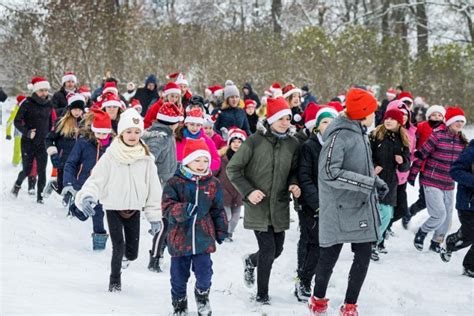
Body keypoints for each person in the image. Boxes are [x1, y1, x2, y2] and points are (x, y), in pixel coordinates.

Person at [308, 87, 388, 316]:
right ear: (363, 113)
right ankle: (318, 300)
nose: (376, 115)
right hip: (339, 207)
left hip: (359, 206)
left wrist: (376, 180)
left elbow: (360, 168)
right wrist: (367, 183)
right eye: (373, 111)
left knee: (363, 255)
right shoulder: (339, 135)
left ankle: (350, 304)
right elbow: (329, 173)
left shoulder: (360, 132)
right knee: (329, 256)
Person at [74, 109, 163, 292]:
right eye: (129, 131)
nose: (133, 135)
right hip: (113, 207)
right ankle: (115, 282)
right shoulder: (110, 156)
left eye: (137, 132)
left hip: (134, 209)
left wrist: (154, 217)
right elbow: (95, 180)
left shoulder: (146, 159)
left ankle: (125, 259)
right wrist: (88, 196)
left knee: (132, 253)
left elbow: (154, 189)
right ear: (121, 132)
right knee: (118, 246)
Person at [227, 97, 301, 304]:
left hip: (279, 204)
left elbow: (295, 171)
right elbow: (233, 169)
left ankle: (251, 261)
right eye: (281, 119)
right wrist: (249, 191)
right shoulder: (254, 141)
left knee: (277, 250)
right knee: (268, 250)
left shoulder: (293, 144)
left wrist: (294, 184)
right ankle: (262, 295)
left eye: (288, 118)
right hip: (257, 204)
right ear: (270, 119)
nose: (286, 122)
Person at [162, 138, 228, 315]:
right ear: (187, 161)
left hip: (203, 238)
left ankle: (202, 296)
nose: (201, 164)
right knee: (178, 277)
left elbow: (218, 209)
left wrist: (221, 230)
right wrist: (184, 210)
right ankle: (179, 303)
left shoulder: (213, 183)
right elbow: (166, 208)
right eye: (197, 160)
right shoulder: (174, 183)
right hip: (179, 238)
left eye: (205, 160)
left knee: (205, 274)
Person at [296, 105, 338, 303]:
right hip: (312, 204)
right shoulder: (310, 146)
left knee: (325, 246)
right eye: (324, 122)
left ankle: (310, 277)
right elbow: (304, 177)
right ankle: (303, 280)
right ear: (317, 127)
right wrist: (318, 203)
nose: (328, 125)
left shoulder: (339, 146)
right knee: (313, 243)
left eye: (332, 122)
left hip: (333, 204)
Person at [412, 107, 467, 253]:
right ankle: (422, 232)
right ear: (449, 122)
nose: (460, 123)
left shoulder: (463, 141)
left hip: (449, 183)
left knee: (448, 217)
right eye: (457, 121)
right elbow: (422, 154)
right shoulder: (437, 136)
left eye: (462, 121)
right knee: (439, 214)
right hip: (432, 179)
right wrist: (412, 172)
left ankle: (436, 241)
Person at [142, 102, 184, 273]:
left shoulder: (166, 135)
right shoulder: (160, 137)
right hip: (160, 187)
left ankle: (160, 253)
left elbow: (166, 160)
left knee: (169, 222)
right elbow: (149, 159)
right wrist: (157, 179)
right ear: (172, 122)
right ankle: (155, 258)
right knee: (164, 223)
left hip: (167, 184)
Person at [63, 109, 113, 250]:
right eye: (99, 133)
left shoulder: (113, 146)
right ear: (93, 130)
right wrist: (68, 182)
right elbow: (71, 163)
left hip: (102, 186)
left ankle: (99, 242)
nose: (102, 136)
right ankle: (74, 209)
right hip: (83, 184)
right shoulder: (83, 143)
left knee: (98, 211)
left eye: (105, 133)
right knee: (84, 214)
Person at [369, 108, 410, 260]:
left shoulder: (403, 139)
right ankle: (372, 244)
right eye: (387, 118)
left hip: (391, 181)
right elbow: (366, 154)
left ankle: (376, 241)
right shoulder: (374, 135)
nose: (388, 121)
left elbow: (406, 165)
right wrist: (373, 167)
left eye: (393, 119)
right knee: (375, 212)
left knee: (387, 214)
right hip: (374, 179)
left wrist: (403, 162)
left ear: (399, 122)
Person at [11, 77, 53, 204]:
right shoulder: (27, 103)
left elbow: (50, 122)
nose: (44, 93)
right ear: (35, 91)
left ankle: (40, 197)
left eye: (46, 90)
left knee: (42, 170)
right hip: (28, 142)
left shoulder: (49, 105)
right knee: (27, 170)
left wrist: (50, 135)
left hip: (42, 143)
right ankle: (17, 185)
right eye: (41, 91)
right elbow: (16, 121)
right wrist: (28, 132)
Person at [404, 105, 446, 227]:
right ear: (429, 116)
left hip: (439, 168)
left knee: (440, 200)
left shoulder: (445, 128)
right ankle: (409, 213)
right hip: (424, 167)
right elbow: (413, 140)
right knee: (424, 199)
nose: (436, 117)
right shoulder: (422, 126)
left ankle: (437, 223)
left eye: (439, 115)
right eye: (434, 115)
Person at [441, 139, 474, 278]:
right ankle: (451, 243)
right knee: (470, 234)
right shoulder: (471, 151)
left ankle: (470, 266)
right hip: (468, 204)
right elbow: (455, 171)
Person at [43, 93, 85, 199]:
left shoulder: (85, 124)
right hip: (63, 160)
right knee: (62, 188)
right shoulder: (61, 122)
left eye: (80, 110)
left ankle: (71, 208)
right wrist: (54, 155)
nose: (77, 112)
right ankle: (54, 184)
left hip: (78, 160)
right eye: (75, 109)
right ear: (70, 109)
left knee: (75, 186)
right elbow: (49, 139)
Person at [215, 128, 247, 242]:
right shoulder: (223, 158)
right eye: (234, 141)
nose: (236, 144)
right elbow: (215, 172)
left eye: (239, 142)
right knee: (226, 215)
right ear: (229, 143)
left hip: (238, 192)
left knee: (235, 218)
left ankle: (229, 232)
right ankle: (222, 233)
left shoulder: (246, 159)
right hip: (224, 191)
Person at [175, 107, 221, 173]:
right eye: (192, 124)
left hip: (200, 176)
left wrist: (203, 167)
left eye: (198, 125)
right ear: (186, 123)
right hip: (179, 174)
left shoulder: (207, 141)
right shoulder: (178, 138)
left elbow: (216, 160)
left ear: (202, 125)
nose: (195, 128)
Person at [6, 95, 27, 166]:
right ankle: (15, 162)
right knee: (17, 149)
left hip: (26, 132)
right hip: (18, 132)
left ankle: (23, 161)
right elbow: (9, 122)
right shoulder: (16, 110)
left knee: (26, 148)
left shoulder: (28, 108)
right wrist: (8, 133)